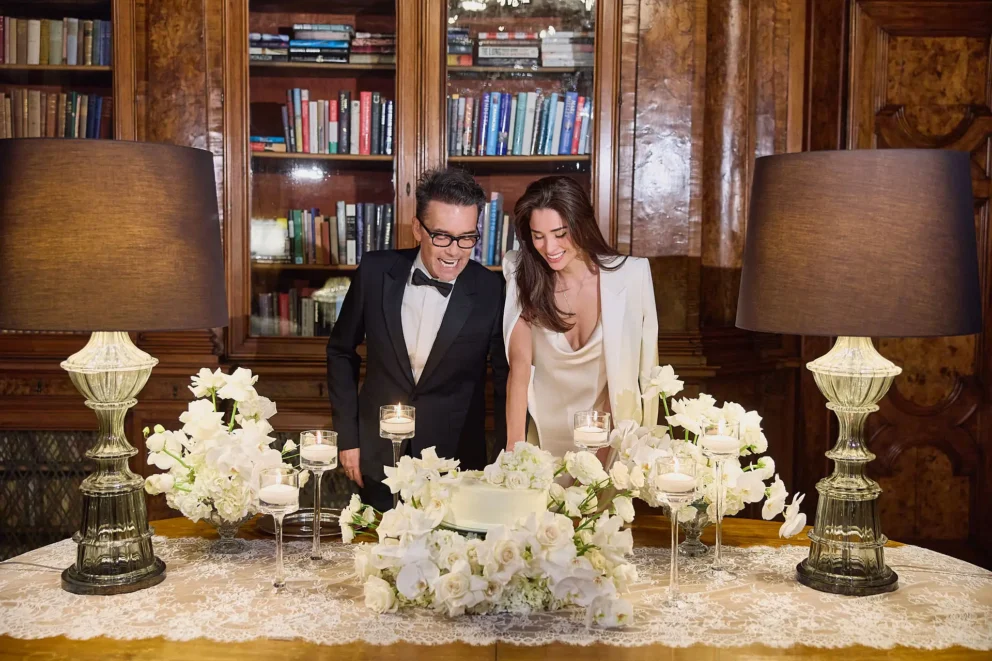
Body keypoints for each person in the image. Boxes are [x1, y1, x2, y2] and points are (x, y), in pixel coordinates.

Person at [326, 168, 508, 511]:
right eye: (442, 236)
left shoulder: (491, 289)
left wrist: (502, 460)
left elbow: (505, 382)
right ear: (417, 229)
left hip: (455, 466)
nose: (454, 251)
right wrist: (348, 439)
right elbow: (340, 352)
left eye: (466, 238)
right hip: (376, 457)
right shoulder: (375, 271)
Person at [503, 176, 658, 459]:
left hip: (609, 442)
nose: (549, 248)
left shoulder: (631, 277)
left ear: (581, 224)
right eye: (538, 236)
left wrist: (596, 465)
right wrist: (515, 448)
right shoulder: (522, 274)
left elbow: (631, 378)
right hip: (542, 445)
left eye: (560, 233)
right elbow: (520, 366)